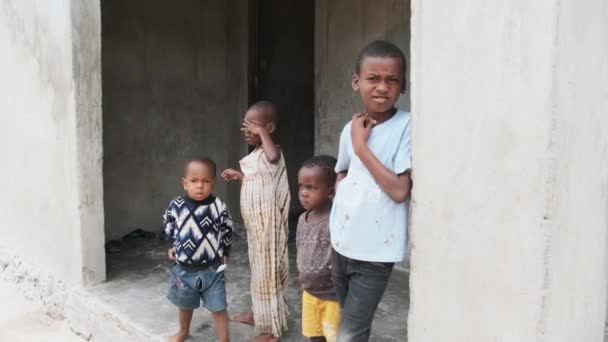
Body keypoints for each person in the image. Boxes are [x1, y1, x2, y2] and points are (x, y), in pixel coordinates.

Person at [330, 40, 412, 342]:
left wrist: (361, 146)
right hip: (341, 242)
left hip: (375, 251)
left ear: (403, 86)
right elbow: (342, 170)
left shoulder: (406, 126)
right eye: (373, 78)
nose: (382, 87)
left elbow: (400, 191)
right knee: (349, 324)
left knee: (350, 333)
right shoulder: (349, 129)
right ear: (356, 82)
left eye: (392, 80)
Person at [221, 101, 290, 342]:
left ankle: (270, 330)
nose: (246, 132)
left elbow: (272, 158)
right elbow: (261, 181)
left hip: (268, 229)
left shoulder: (273, 151)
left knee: (267, 273)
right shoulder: (257, 155)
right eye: (245, 127)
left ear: (268, 128)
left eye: (251, 127)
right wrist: (241, 176)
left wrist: (261, 133)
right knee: (258, 273)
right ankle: (257, 314)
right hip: (256, 228)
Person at [163, 157, 233, 342]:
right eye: (194, 181)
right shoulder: (176, 205)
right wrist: (171, 245)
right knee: (185, 305)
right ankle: (183, 332)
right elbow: (169, 225)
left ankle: (225, 339)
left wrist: (225, 251)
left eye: (206, 181)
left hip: (212, 269)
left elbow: (227, 229)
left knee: (219, 307)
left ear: (213, 184)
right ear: (185, 183)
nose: (200, 186)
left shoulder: (218, 207)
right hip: (184, 270)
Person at [296, 155, 340, 342]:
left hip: (332, 297)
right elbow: (301, 249)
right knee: (314, 335)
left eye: (311, 187)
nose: (303, 193)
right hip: (309, 292)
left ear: (330, 192)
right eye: (301, 186)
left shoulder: (335, 221)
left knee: (333, 337)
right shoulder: (301, 219)